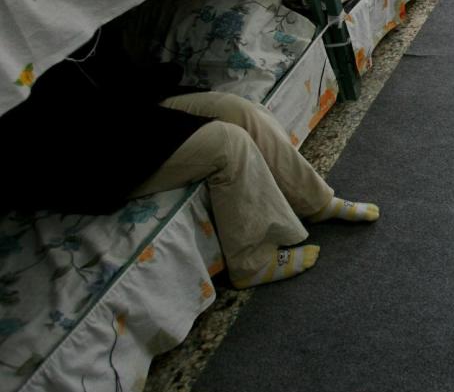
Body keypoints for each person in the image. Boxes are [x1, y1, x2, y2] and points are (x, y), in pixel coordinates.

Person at [0, 49, 379, 289]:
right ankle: (252, 262)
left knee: (241, 110)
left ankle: (316, 202)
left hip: (120, 112)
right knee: (227, 143)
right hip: (77, 155)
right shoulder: (21, 52)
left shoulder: (75, 19)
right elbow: (63, 126)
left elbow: (118, 81)